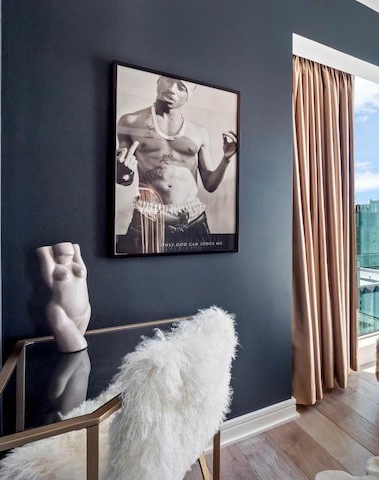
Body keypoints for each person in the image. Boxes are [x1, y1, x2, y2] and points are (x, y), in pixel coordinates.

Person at [115, 75, 237, 254]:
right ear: (158, 82)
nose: (172, 89)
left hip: (193, 220)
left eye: (181, 87)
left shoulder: (199, 132)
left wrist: (226, 159)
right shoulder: (130, 122)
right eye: (168, 81)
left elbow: (210, 185)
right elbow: (123, 178)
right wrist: (124, 173)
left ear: (189, 96)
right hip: (149, 218)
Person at [37, 242, 91, 353]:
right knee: (79, 349)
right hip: (61, 314)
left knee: (80, 359)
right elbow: (43, 253)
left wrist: (75, 249)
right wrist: (46, 251)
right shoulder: (53, 268)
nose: (67, 257)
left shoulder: (76, 262)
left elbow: (77, 251)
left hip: (85, 313)